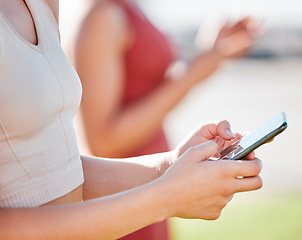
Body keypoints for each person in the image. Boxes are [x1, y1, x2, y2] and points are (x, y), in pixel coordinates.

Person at [0, 0, 262, 239]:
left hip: (129, 196)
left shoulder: (41, 6)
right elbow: (103, 139)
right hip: (123, 208)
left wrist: (169, 165)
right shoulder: (100, 14)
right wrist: (163, 197)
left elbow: (48, 170)